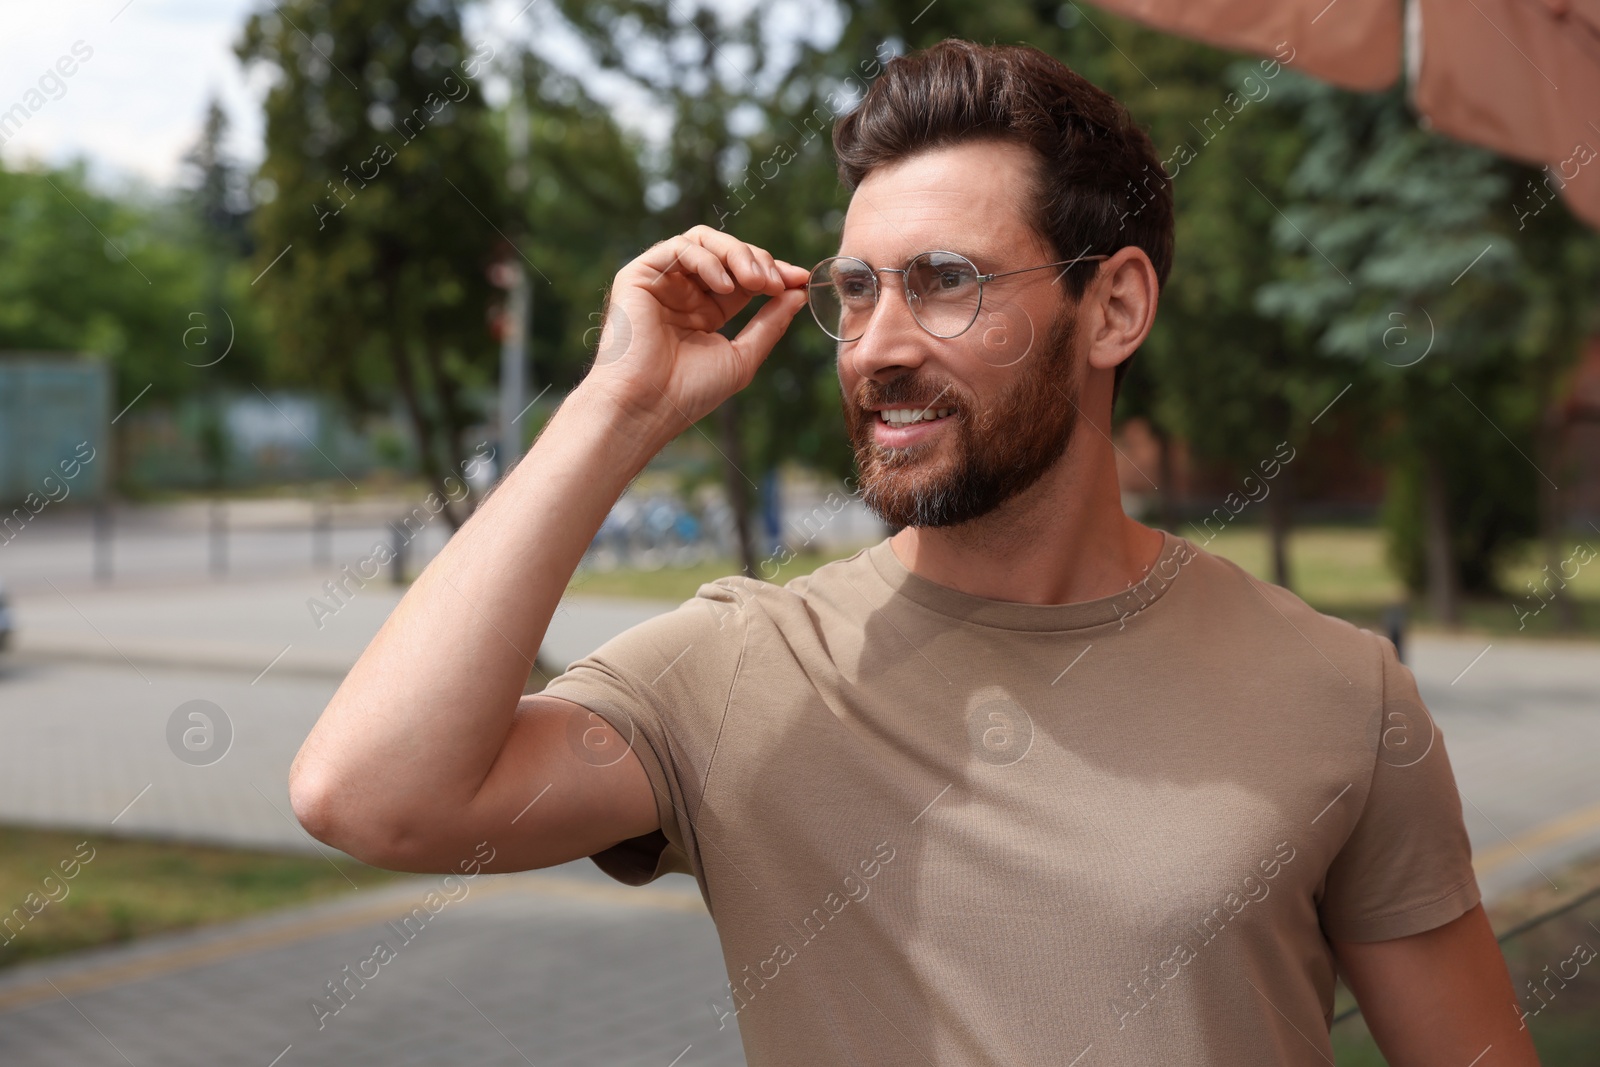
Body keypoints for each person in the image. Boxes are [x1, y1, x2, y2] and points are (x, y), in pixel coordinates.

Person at [289, 38, 1539, 1067]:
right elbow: (368, 795)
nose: (876, 344)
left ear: (1113, 309)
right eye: (855, 289)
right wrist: (616, 405)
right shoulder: (743, 666)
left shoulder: (1338, 687)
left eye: (943, 282)